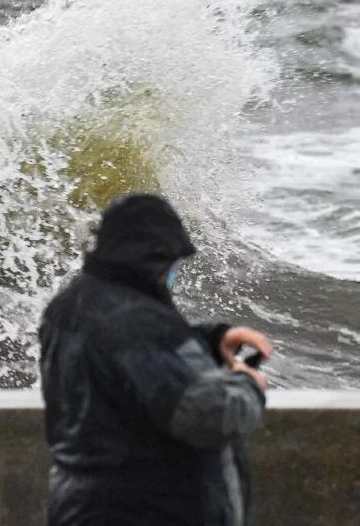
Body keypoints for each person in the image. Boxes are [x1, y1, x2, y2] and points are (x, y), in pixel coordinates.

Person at [38, 193, 272, 525]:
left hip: (80, 505)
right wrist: (249, 385)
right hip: (145, 509)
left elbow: (120, 375)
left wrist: (210, 342)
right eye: (172, 264)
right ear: (151, 260)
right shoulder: (139, 322)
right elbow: (210, 416)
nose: (173, 274)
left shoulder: (69, 304)